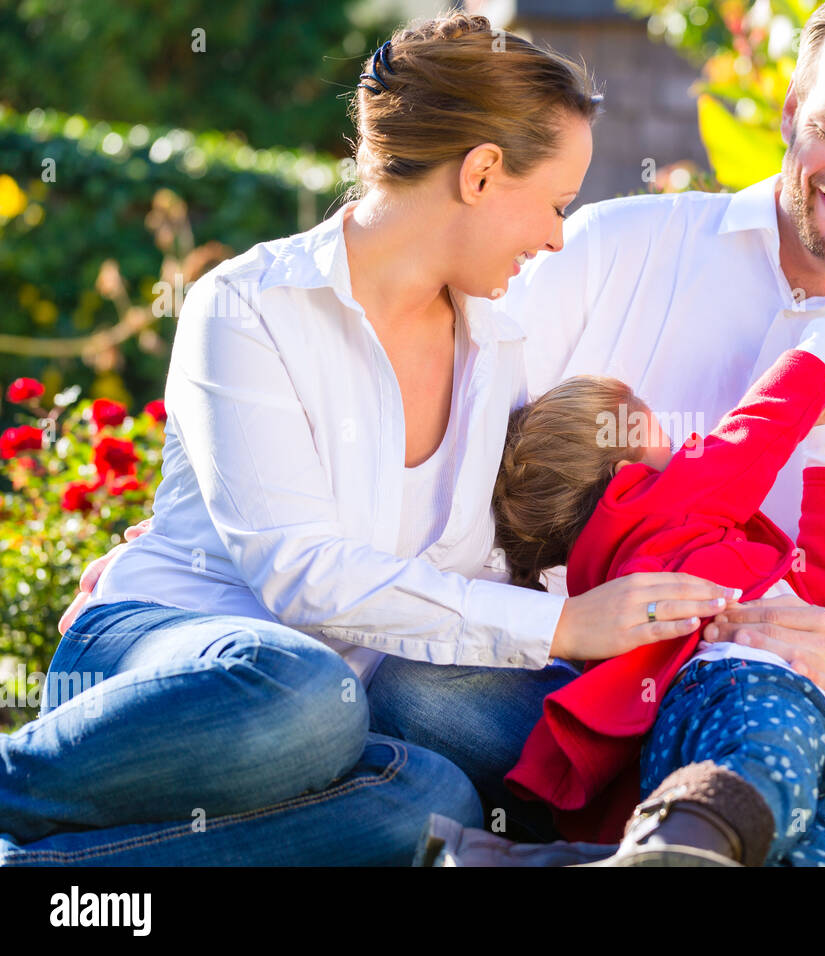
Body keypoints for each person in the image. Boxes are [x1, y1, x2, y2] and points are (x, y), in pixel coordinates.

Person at [5, 14, 733, 866]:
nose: (555, 239)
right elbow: (302, 573)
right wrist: (563, 624)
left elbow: (503, 560)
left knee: (431, 802)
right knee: (305, 695)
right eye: (555, 206)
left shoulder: (502, 346)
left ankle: (46, 870)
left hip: (332, 712)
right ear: (483, 172)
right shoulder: (246, 308)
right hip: (179, 662)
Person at [484, 230, 825, 868]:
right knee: (753, 782)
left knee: (818, 848)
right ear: (631, 433)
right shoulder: (659, 501)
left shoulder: (648, 560)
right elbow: (760, 428)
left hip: (783, 728)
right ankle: (676, 845)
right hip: (740, 695)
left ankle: (659, 846)